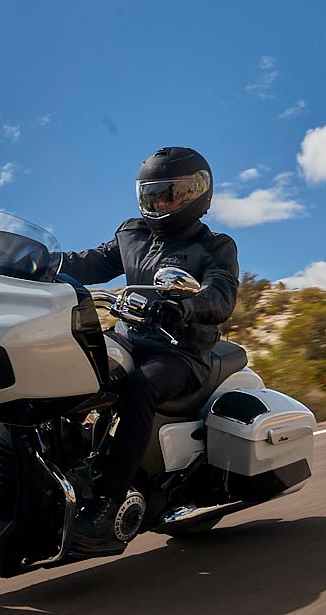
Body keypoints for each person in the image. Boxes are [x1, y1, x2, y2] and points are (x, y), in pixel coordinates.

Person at [57, 146, 240, 549]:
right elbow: (85, 262)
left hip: (180, 353)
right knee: (65, 364)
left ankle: (107, 502)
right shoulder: (132, 233)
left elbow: (221, 295)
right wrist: (28, 261)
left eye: (169, 194)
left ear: (196, 194)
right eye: (152, 194)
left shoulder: (214, 246)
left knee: (139, 387)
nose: (159, 203)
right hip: (128, 338)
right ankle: (65, 466)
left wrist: (183, 308)